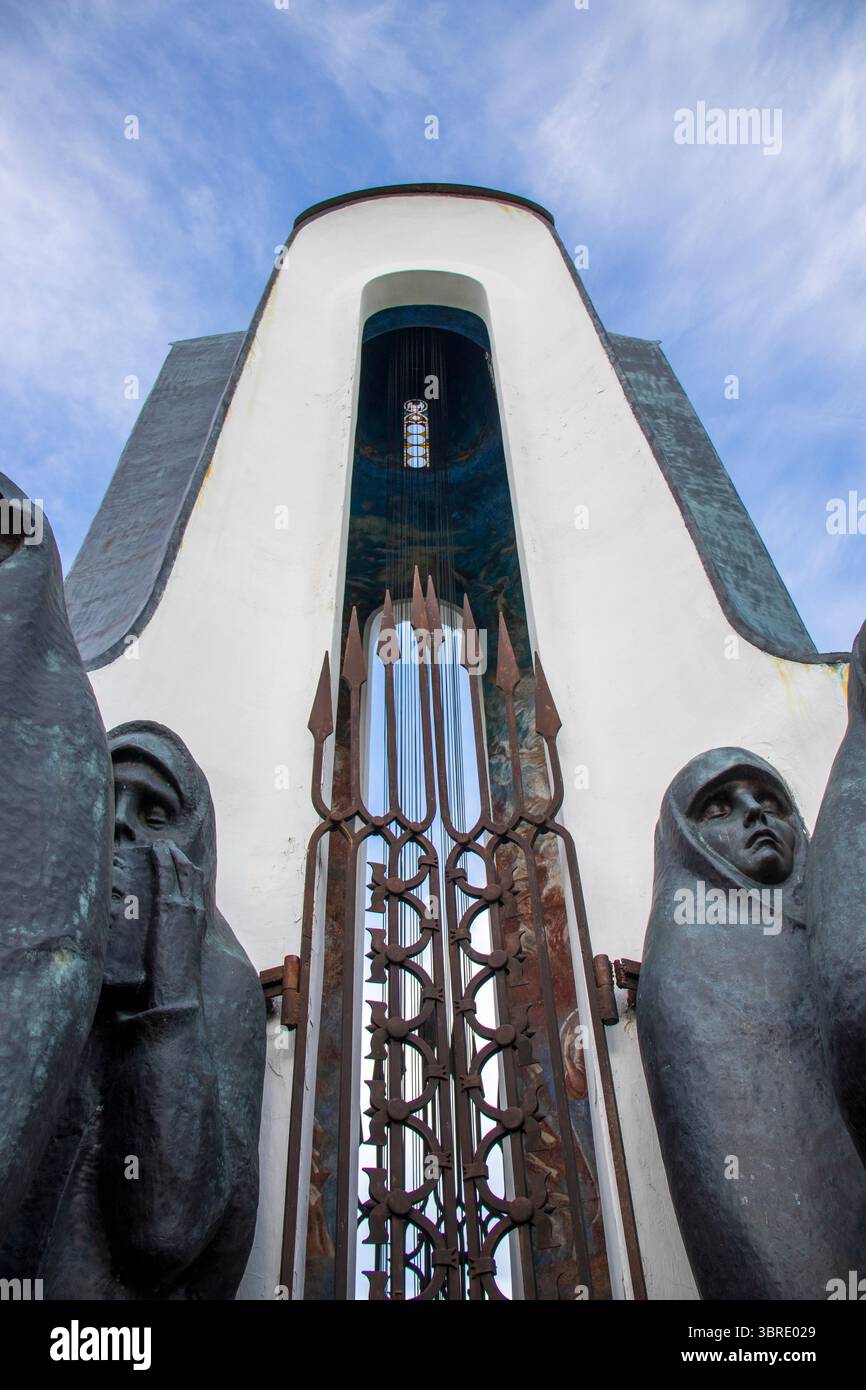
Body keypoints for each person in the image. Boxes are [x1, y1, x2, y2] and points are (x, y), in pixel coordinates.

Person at [637, 747, 866, 1299]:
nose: (754, 813)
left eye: (769, 800)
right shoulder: (688, 967)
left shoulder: (830, 915)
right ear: (684, 846)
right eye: (718, 808)